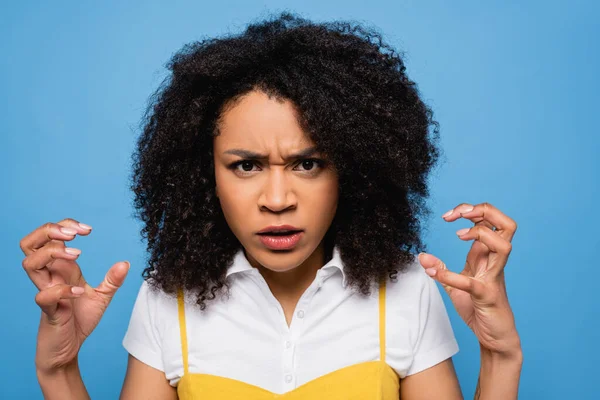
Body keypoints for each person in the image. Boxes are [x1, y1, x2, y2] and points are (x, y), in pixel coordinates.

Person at [20, 12, 522, 400]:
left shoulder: (406, 291)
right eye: (245, 166)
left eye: (308, 164)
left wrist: (500, 357)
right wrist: (59, 371)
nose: (278, 200)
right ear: (204, 175)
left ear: (352, 169)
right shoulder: (165, 301)